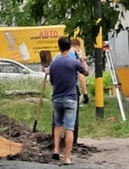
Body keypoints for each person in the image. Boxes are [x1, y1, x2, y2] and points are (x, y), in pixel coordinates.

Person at [46, 36, 89, 165]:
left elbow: (52, 82)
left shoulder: (54, 63)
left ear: (59, 47)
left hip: (57, 99)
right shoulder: (74, 62)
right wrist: (81, 58)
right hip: (70, 99)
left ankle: (56, 150)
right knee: (69, 128)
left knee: (58, 125)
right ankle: (67, 158)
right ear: (69, 47)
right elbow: (86, 73)